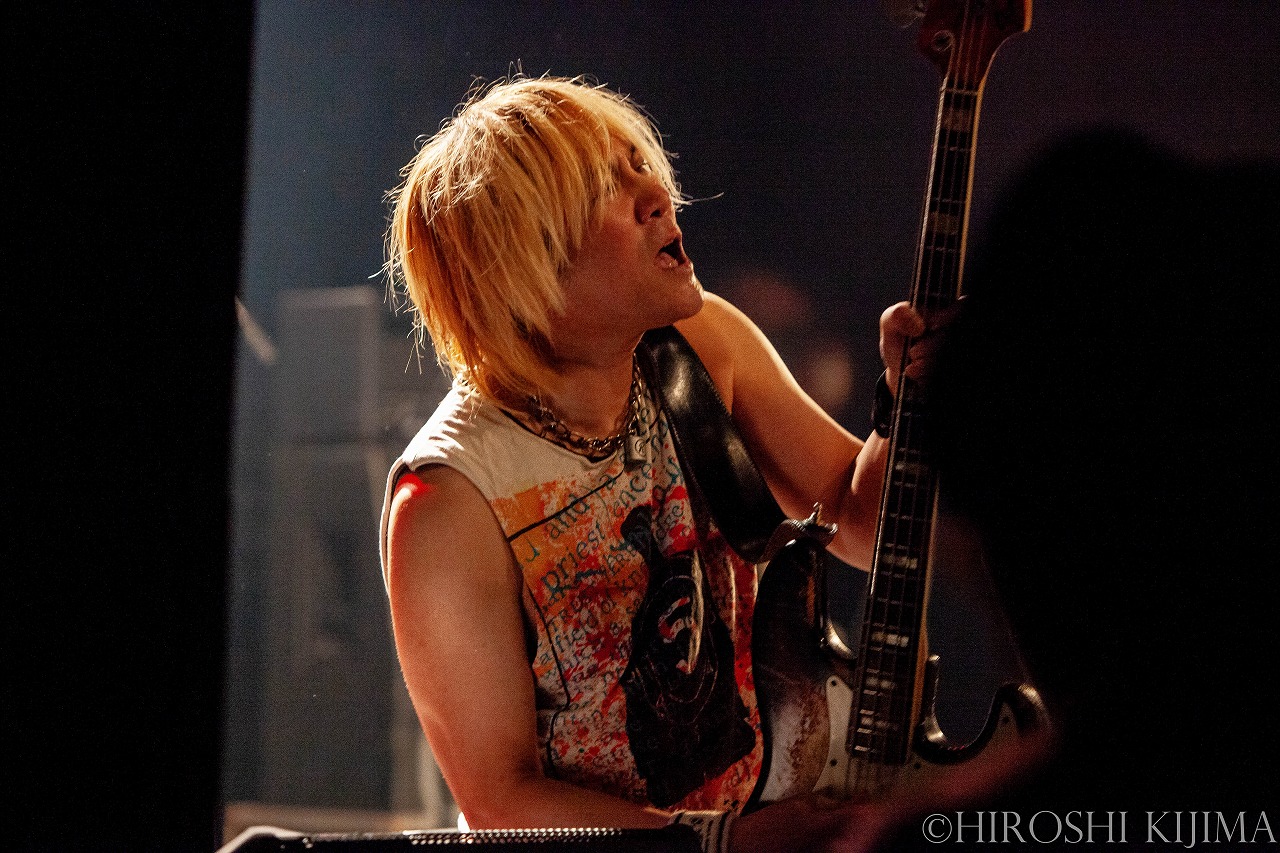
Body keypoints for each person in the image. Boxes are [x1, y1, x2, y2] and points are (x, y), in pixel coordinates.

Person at [378, 75, 941, 853]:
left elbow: (862, 523)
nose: (657, 194)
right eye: (606, 186)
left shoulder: (705, 346)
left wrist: (903, 403)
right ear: (524, 259)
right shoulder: (448, 500)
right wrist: (725, 843)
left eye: (641, 164)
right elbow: (502, 797)